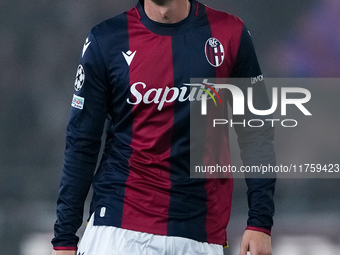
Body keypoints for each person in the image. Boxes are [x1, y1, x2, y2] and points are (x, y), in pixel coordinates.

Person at [51, 0, 276, 255]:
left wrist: (260, 222)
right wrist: (64, 239)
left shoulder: (229, 34)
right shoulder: (107, 39)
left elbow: (256, 132)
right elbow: (82, 143)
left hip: (200, 233)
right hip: (118, 227)